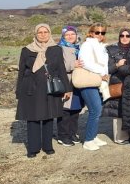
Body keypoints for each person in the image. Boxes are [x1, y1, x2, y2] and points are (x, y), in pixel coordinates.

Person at [15, 24, 71, 157]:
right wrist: (18, 91)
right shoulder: (27, 50)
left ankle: (47, 146)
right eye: (40, 32)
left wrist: (67, 89)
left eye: (46, 32)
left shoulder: (56, 49)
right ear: (35, 34)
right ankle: (33, 149)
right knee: (32, 118)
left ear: (49, 33)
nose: (43, 34)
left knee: (48, 117)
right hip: (31, 88)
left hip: (49, 88)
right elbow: (21, 71)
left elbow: (61, 69)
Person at [78, 23, 111, 151]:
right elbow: (84, 62)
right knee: (95, 110)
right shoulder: (87, 45)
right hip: (89, 80)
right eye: (97, 32)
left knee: (98, 109)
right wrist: (102, 73)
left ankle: (93, 135)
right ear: (91, 33)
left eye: (103, 33)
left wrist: (105, 75)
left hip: (97, 81)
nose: (100, 35)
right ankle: (88, 140)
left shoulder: (101, 47)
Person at [103, 28, 130, 144]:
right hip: (118, 82)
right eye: (122, 35)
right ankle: (120, 137)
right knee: (118, 109)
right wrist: (117, 64)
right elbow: (107, 69)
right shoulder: (111, 50)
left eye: (127, 35)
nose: (125, 38)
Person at [57, 25, 83, 147]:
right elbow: (58, 67)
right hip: (66, 82)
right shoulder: (59, 49)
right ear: (63, 36)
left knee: (76, 109)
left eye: (72, 34)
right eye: (67, 35)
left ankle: (72, 133)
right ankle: (63, 136)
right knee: (65, 110)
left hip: (78, 82)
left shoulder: (79, 47)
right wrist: (74, 64)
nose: (70, 36)